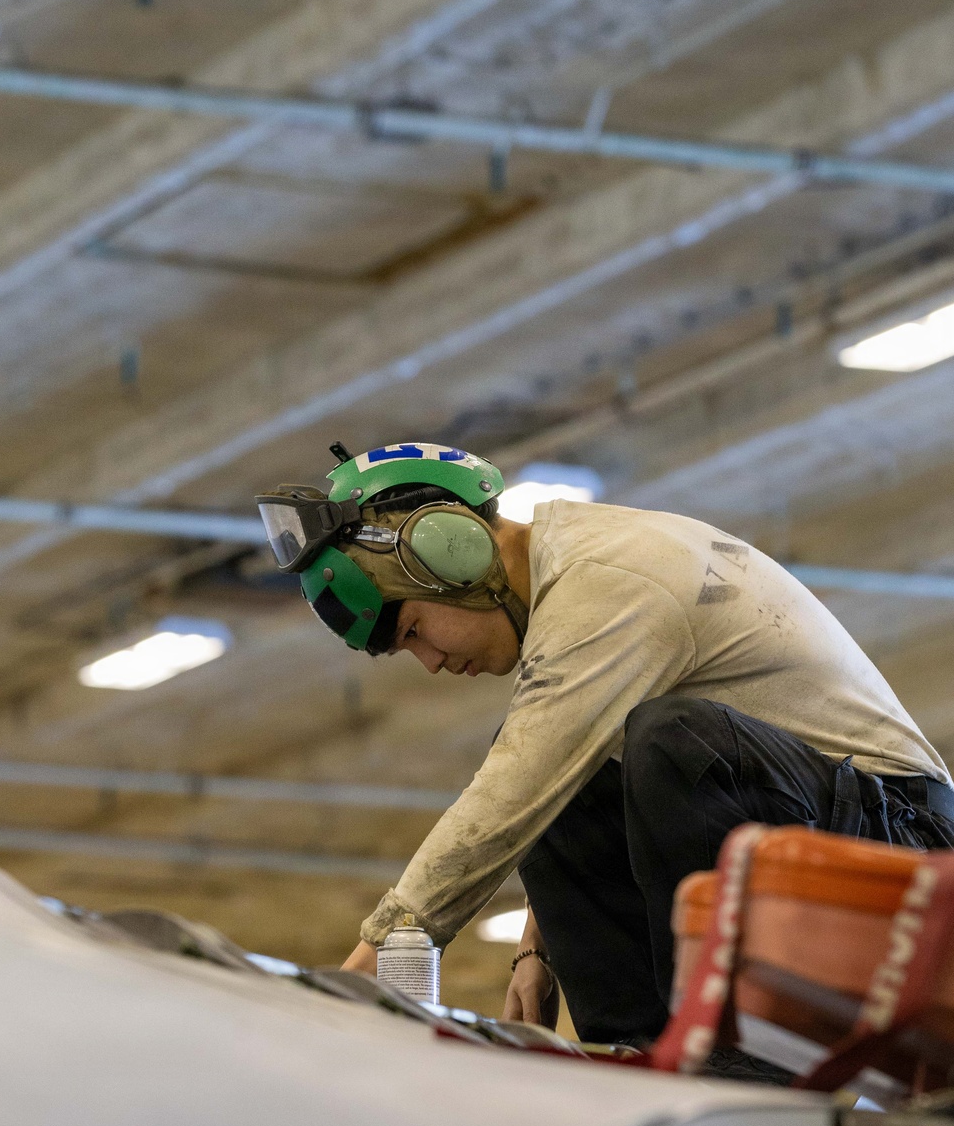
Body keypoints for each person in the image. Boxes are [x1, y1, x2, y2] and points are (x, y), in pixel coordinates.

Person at [257, 441, 954, 1045]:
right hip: (821, 822)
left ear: (452, 555)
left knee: (668, 741)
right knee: (579, 769)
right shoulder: (574, 576)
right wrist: (539, 947)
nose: (432, 663)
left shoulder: (608, 583)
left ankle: (720, 1041)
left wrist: (371, 969)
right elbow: (562, 767)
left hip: (905, 851)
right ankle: (637, 1048)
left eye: (414, 632)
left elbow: (513, 789)